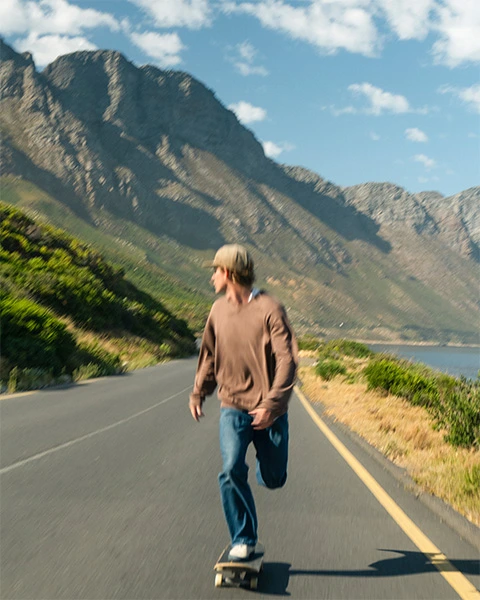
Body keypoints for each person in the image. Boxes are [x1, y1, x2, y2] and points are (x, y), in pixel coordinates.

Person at [189, 243, 298, 561]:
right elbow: (209, 355)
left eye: (215, 271)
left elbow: (287, 360)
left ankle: (270, 473)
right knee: (231, 469)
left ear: (228, 272)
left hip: (269, 410)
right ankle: (244, 538)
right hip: (233, 407)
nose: (212, 278)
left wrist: (273, 405)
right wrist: (199, 392)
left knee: (274, 478)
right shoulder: (217, 310)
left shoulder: (270, 308)